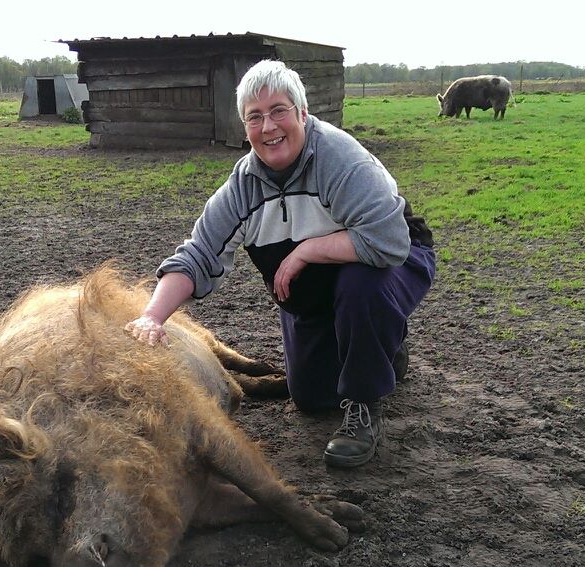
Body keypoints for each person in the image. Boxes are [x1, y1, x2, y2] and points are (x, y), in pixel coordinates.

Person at [125, 59, 436, 468]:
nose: (268, 127)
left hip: (393, 263)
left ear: (303, 114)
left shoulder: (341, 161)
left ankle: (364, 406)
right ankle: (387, 349)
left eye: (278, 111)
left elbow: (388, 242)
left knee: (362, 288)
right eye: (255, 117)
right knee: (311, 397)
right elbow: (198, 255)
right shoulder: (242, 188)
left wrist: (306, 251)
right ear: (245, 127)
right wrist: (151, 317)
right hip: (315, 290)